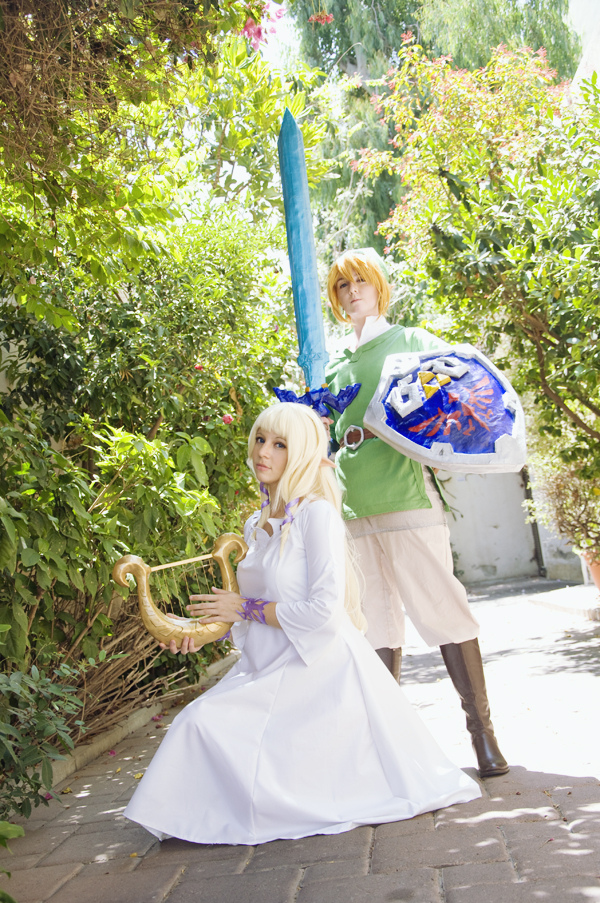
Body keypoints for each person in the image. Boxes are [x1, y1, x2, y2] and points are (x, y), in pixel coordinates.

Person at [124, 402, 480, 845]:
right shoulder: (255, 524)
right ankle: (207, 816)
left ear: (303, 453)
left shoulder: (317, 515)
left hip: (316, 670)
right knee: (196, 724)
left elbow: (322, 611)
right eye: (260, 439)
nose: (263, 452)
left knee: (199, 724)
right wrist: (202, 634)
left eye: (280, 444)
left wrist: (243, 608)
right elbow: (248, 610)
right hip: (266, 666)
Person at [325, 247, 509, 779]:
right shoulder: (335, 367)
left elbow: (465, 392)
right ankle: (386, 751)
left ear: (379, 286)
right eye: (342, 286)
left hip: (407, 497)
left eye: (360, 281)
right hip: (353, 506)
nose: (352, 292)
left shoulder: (411, 342)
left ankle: (483, 735)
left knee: (442, 609)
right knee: (374, 625)